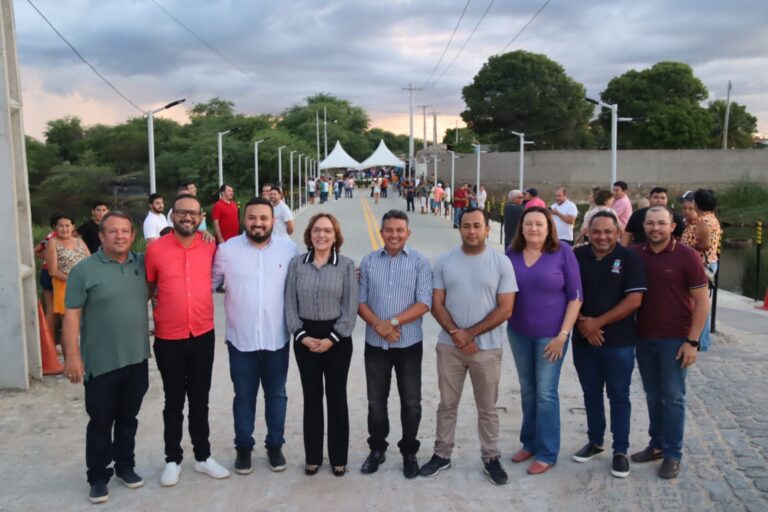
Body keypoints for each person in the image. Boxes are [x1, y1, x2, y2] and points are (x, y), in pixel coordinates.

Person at [420, 207, 517, 486]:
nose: (471, 231)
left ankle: (491, 457)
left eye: (477, 226)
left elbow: (506, 308)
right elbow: (436, 303)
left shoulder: (501, 263)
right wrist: (456, 334)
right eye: (466, 226)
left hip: (487, 349)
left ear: (488, 229)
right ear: (459, 228)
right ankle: (441, 454)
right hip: (449, 347)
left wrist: (470, 334)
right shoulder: (445, 260)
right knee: (447, 404)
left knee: (487, 407)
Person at [61, 212, 150, 504]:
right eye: (113, 231)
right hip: (101, 363)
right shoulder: (83, 271)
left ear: (132, 236)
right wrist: (72, 356)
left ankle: (125, 465)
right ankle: (98, 476)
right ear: (101, 236)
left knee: (128, 418)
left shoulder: (141, 263)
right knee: (100, 421)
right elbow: (71, 317)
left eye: (125, 231)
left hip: (137, 359)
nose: (120, 236)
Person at [145, 194, 230, 486]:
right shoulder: (155, 250)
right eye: (182, 212)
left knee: (200, 399)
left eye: (193, 213)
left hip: (203, 334)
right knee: (173, 401)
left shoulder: (209, 246)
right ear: (172, 216)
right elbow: (148, 289)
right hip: (169, 337)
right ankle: (172, 459)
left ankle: (203, 457)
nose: (187, 217)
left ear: (200, 216)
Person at [212, 197, 299, 476]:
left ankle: (275, 446)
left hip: (277, 339)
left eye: (264, 217)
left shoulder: (289, 250)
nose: (258, 223)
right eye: (252, 217)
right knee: (244, 397)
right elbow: (208, 285)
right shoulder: (226, 250)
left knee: (277, 395)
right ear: (243, 219)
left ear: (273, 220)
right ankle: (243, 447)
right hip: (241, 340)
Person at [630, 206, 709, 479]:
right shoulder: (635, 255)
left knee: (673, 398)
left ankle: (673, 454)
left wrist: (693, 341)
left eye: (661, 223)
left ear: (672, 226)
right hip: (643, 337)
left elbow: (702, 302)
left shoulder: (687, 257)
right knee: (653, 395)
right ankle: (657, 445)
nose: (655, 228)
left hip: (675, 339)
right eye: (650, 223)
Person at [505, 206, 582, 475]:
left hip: (552, 336)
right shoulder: (511, 253)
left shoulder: (563, 252)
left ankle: (548, 452)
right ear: (521, 228)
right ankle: (530, 442)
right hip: (518, 332)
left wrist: (563, 335)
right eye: (529, 224)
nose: (534, 229)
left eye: (539, 224)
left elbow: (576, 297)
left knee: (546, 393)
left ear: (549, 227)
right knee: (528, 390)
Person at [357, 210, 432, 479]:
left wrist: (393, 322)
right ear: (381, 232)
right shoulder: (367, 262)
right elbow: (360, 301)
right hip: (375, 344)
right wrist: (380, 325)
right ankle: (377, 449)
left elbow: (425, 302)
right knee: (376, 402)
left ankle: (409, 452)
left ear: (408, 233)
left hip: (408, 344)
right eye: (389, 230)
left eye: (399, 230)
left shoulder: (420, 263)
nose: (394, 235)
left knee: (411, 402)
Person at [572, 211, 646, 478]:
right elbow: (566, 292)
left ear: (617, 232)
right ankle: (595, 441)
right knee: (591, 392)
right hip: (583, 341)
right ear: (588, 232)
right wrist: (583, 323)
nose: (602, 237)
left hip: (619, 342)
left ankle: (620, 450)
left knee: (619, 396)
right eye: (596, 231)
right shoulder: (576, 256)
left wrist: (597, 323)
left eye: (608, 231)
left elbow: (634, 300)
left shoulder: (630, 259)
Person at [284, 213, 358, 477]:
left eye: (327, 231)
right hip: (305, 337)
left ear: (335, 235)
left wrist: (331, 339)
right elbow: (289, 305)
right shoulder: (296, 265)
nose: (322, 235)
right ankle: (313, 456)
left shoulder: (347, 266)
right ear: (309, 234)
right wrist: (301, 336)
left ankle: (339, 457)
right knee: (312, 398)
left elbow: (350, 309)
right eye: (317, 230)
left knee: (337, 398)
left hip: (337, 339)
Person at [681, 189, 722, 352]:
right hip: (705, 263)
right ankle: (701, 339)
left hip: (702, 264)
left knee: (699, 302)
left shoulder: (704, 221)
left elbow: (704, 244)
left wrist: (686, 249)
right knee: (700, 301)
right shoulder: (710, 218)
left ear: (697, 204)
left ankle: (701, 341)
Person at [45, 212, 90, 322]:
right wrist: (75, 280)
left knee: (84, 322)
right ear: (55, 227)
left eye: (67, 225)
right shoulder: (52, 243)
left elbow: (90, 261)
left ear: (73, 227)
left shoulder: (79, 241)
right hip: (64, 286)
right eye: (60, 226)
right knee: (68, 322)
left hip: (83, 286)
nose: (64, 229)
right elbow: (53, 271)